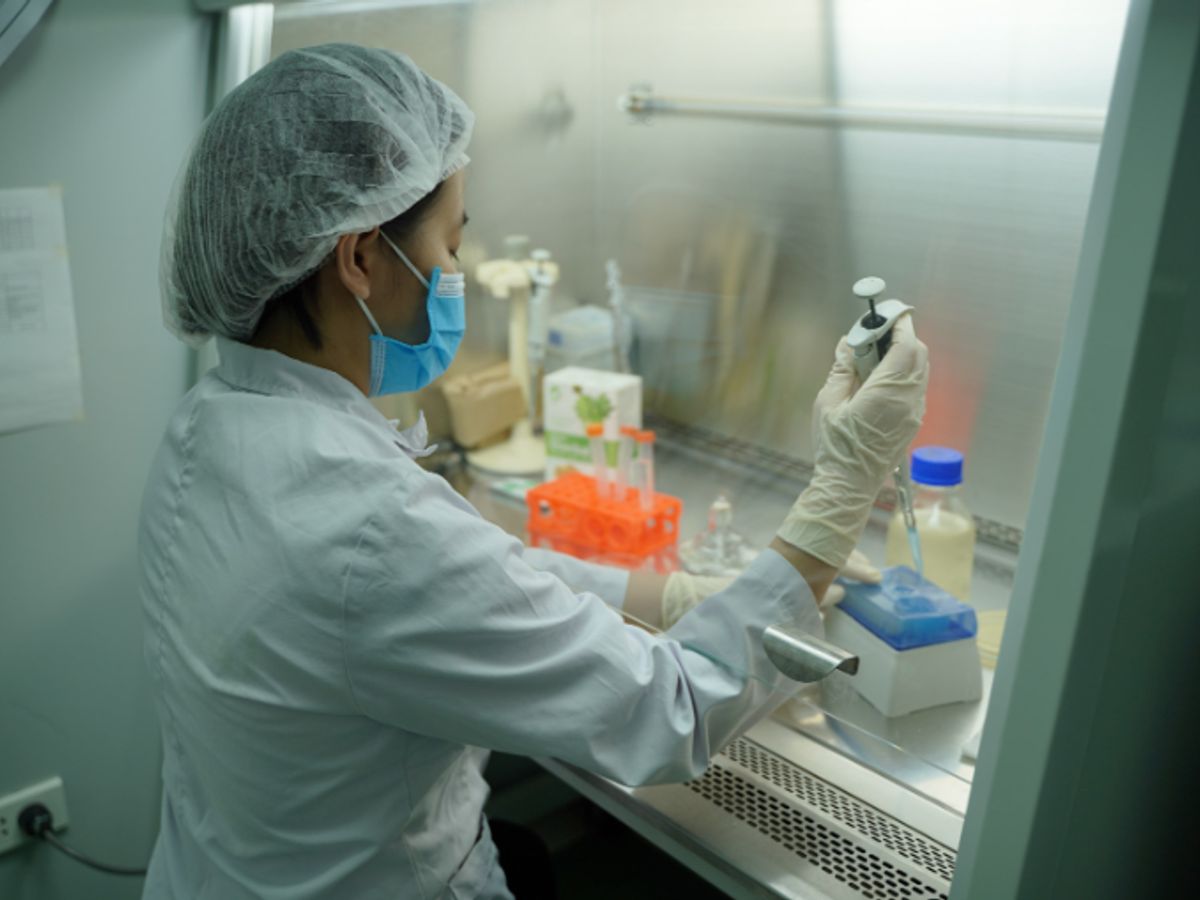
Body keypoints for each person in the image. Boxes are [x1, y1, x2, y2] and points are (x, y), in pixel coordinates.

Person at [139, 43, 928, 900]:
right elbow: (667, 711)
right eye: (447, 244)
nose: (455, 276)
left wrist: (658, 596)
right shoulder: (364, 524)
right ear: (360, 259)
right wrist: (841, 493)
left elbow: (469, 579)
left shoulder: (209, 428)